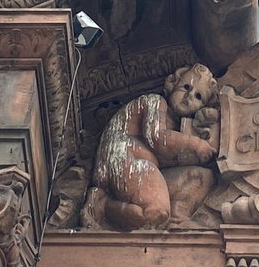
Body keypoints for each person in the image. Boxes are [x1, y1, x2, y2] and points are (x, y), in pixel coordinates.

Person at [82, 64, 220, 231]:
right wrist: (196, 145)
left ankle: (177, 220)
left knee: (201, 177)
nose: (188, 97)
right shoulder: (155, 102)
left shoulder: (179, 126)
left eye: (198, 96)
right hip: (123, 160)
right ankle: (103, 205)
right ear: (172, 83)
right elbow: (157, 137)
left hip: (146, 172)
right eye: (186, 87)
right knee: (156, 213)